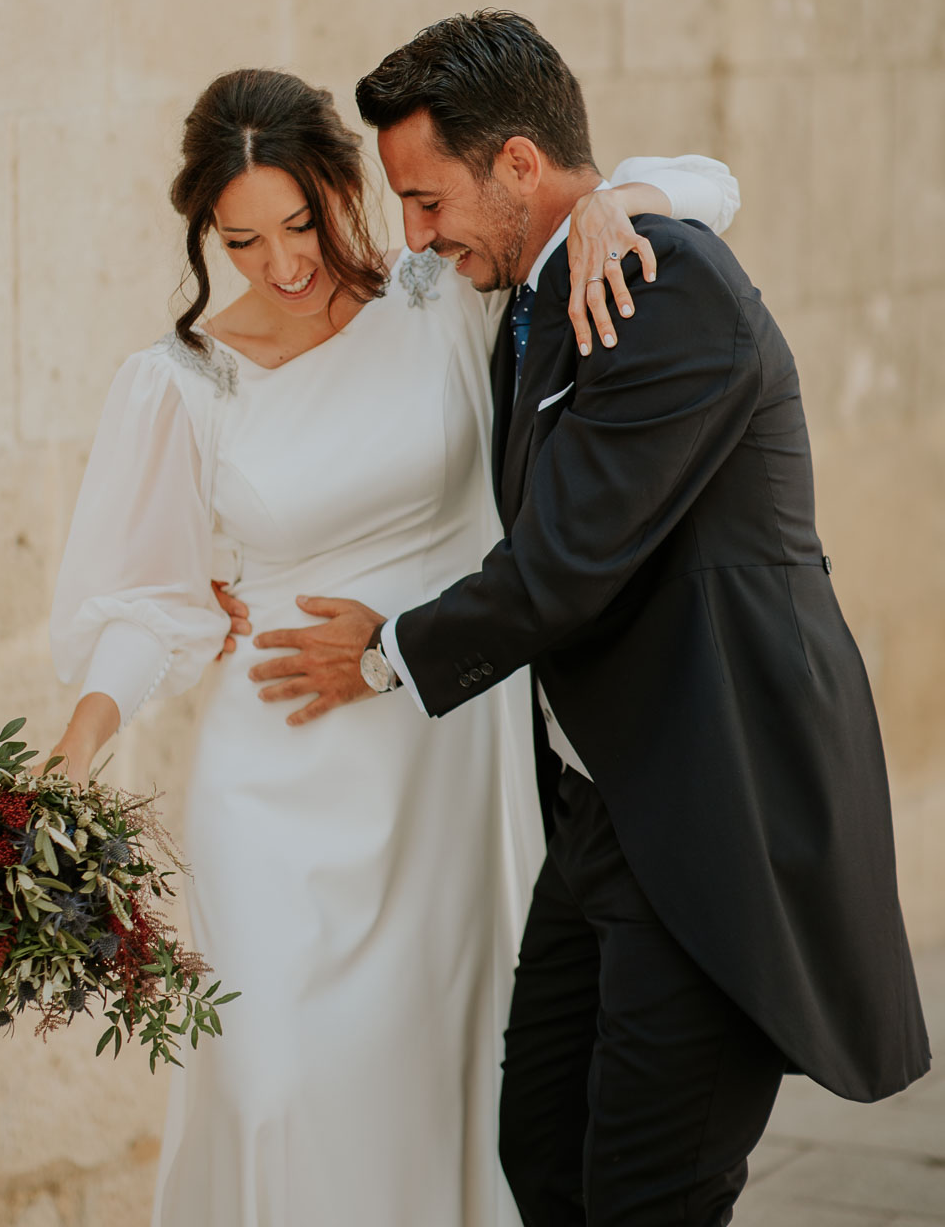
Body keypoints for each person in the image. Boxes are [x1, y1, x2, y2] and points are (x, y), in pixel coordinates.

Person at [249, 10, 931, 1227]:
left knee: (644, 1198)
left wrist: (384, 648)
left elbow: (565, 562)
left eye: (427, 199)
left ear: (516, 163)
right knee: (543, 1154)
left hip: (722, 813)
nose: (416, 235)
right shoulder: (544, 276)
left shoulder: (661, 287)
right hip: (605, 813)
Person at [46, 64, 742, 1227]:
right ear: (205, 233)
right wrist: (74, 748)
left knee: (437, 1082)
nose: (284, 261)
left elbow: (711, 183)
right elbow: (147, 604)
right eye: (243, 238)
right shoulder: (182, 383)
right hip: (268, 777)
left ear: (339, 185)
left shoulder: (442, 297)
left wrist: (620, 201)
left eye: (303, 220)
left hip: (438, 759)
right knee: (271, 1087)